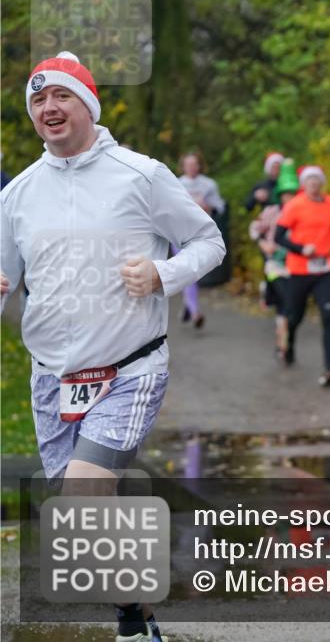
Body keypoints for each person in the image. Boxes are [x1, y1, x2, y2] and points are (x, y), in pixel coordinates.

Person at [0, 51, 225, 642]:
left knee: (83, 489)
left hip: (130, 366)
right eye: (37, 100)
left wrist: (162, 273)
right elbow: (4, 285)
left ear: (88, 105)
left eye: (61, 97)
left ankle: (129, 629)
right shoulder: (18, 195)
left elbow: (208, 242)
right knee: (82, 518)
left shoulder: (140, 174)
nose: (48, 108)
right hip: (51, 379)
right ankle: (139, 616)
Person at [273, 165, 330, 385]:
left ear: (322, 183)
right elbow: (279, 237)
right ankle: (289, 346)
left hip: (324, 269)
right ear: (304, 184)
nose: (314, 184)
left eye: (317, 180)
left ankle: (329, 367)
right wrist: (300, 249)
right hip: (299, 270)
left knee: (328, 315)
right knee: (295, 317)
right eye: (310, 181)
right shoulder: (294, 206)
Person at [249, 158, 299, 359]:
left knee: (291, 308)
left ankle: (286, 343)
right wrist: (263, 243)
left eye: (293, 194)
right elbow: (254, 228)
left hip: (296, 265)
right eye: (286, 194)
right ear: (280, 195)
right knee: (285, 302)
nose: (290, 198)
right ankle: (282, 344)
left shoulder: (304, 213)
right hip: (275, 264)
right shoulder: (271, 211)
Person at [176, 151, 226, 328]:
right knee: (188, 271)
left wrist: (207, 206)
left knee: (191, 273)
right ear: (183, 166)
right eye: (188, 165)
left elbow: (220, 206)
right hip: (179, 233)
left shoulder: (208, 184)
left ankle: (189, 307)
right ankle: (195, 312)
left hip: (201, 232)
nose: (191, 168)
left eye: (194, 164)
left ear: (199, 165)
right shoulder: (176, 183)